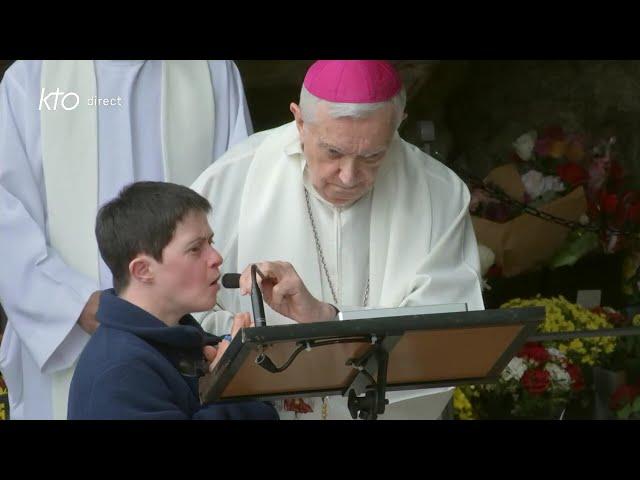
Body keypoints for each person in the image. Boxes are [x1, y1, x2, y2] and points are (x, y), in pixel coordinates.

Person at [191, 60, 485, 420]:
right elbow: (183, 309)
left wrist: (328, 319)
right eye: (333, 152)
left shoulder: (439, 193)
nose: (349, 176)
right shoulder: (230, 180)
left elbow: (448, 332)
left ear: (399, 124)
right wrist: (248, 343)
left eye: (373, 156)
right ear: (300, 122)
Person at [0, 60, 252, 419]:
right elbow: (6, 212)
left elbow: (237, 188)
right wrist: (73, 304)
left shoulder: (211, 69)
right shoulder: (32, 78)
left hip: (188, 333)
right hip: (70, 336)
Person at [68, 181, 278, 420]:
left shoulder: (176, 342)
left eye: (211, 242)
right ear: (143, 270)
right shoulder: (121, 372)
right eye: (195, 249)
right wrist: (235, 384)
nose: (217, 258)